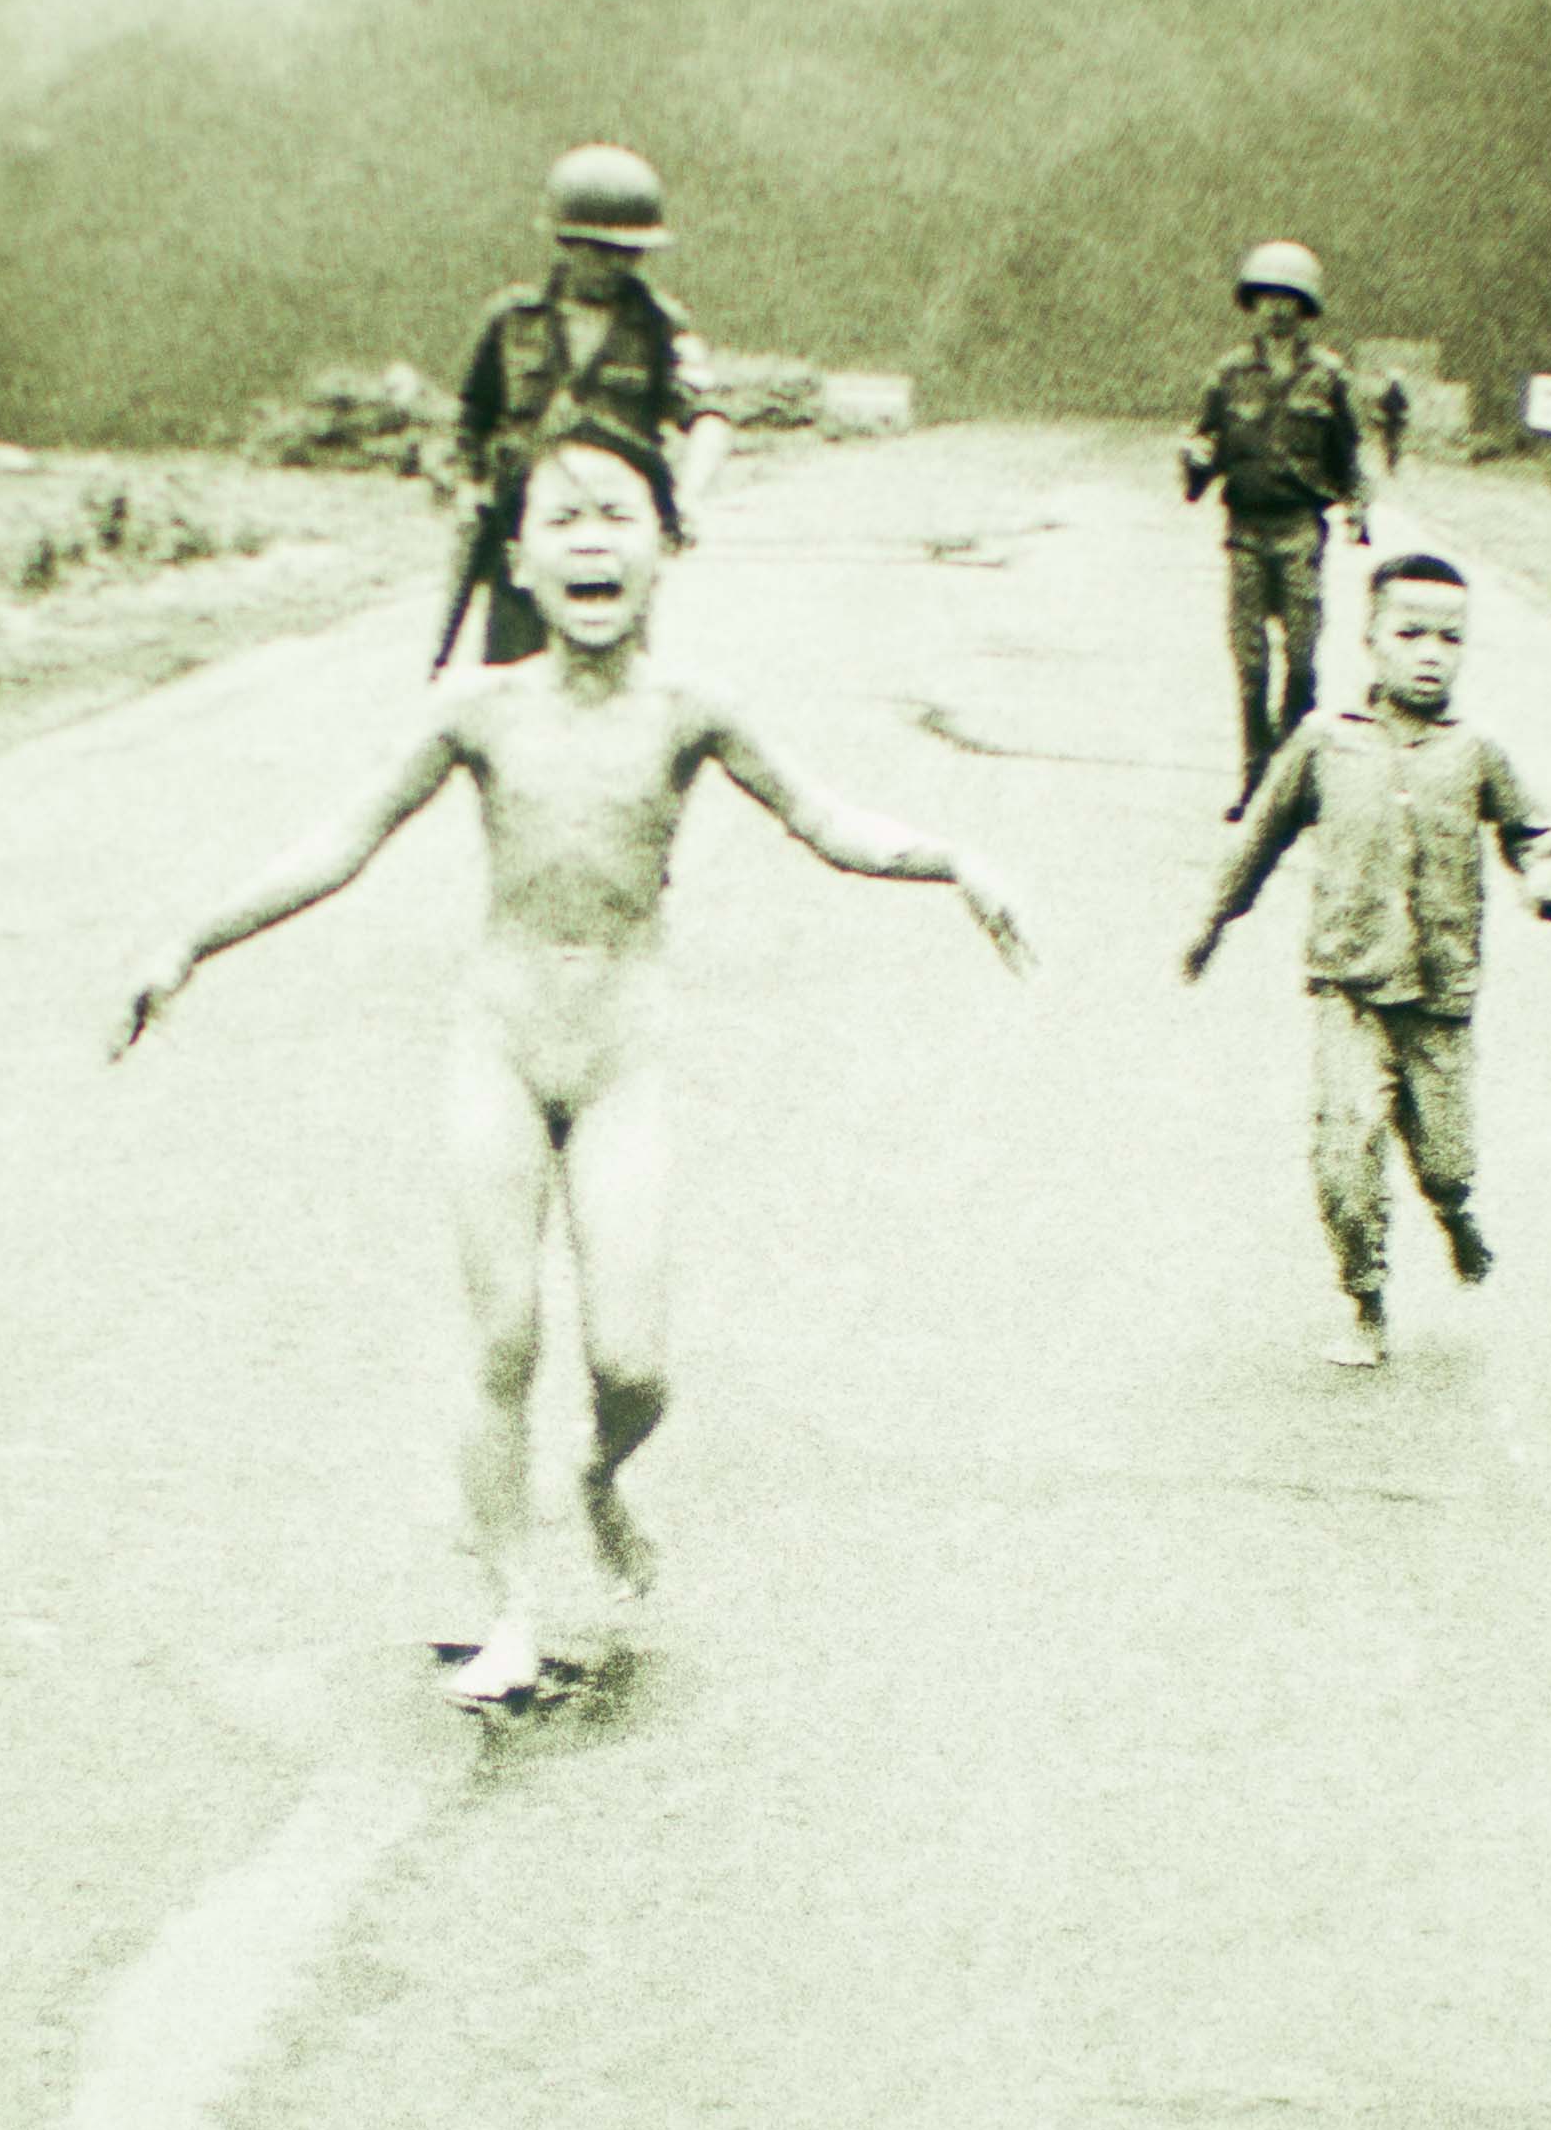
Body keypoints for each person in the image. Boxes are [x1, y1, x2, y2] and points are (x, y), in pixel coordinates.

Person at [116, 423, 1033, 1708]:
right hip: (496, 1050)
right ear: (520, 558)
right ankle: (509, 1605)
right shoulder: (476, 708)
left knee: (633, 1367)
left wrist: (954, 863)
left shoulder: (691, 710)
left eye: (618, 515)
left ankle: (599, 1477)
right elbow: (339, 842)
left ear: (665, 547)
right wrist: (189, 941)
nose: (591, 538)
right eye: (562, 516)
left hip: (620, 1064)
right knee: (503, 1339)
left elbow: (828, 821)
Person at [1187, 552, 1551, 1368]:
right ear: (1369, 639)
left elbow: (1531, 833)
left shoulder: (1477, 751)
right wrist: (1211, 925)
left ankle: (1455, 1213)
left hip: (1440, 995)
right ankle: (1365, 1299)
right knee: (1346, 1146)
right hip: (1351, 985)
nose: (1430, 654)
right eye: (1410, 634)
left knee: (1444, 1158)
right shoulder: (1324, 743)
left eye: (1450, 638)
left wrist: (1547, 878)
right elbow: (1257, 840)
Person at [448, 145, 737, 670]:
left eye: (630, 252)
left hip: (614, 527)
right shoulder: (512, 322)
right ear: (565, 242)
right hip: (528, 524)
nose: (616, 264)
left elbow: (709, 417)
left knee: (610, 666)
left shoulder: (659, 326)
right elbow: (473, 419)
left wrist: (689, 497)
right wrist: (468, 489)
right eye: (600, 250)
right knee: (513, 673)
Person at [1177, 241, 1371, 813]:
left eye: (1289, 299)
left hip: (1299, 529)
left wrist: (1358, 506)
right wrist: (1193, 459)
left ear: (1305, 307)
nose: (1277, 309)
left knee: (1303, 660)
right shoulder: (1229, 374)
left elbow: (1349, 455)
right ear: (1252, 303)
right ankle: (1255, 778)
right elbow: (1205, 444)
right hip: (1245, 531)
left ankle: (1293, 780)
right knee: (1251, 664)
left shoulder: (1328, 375)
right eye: (1267, 297)